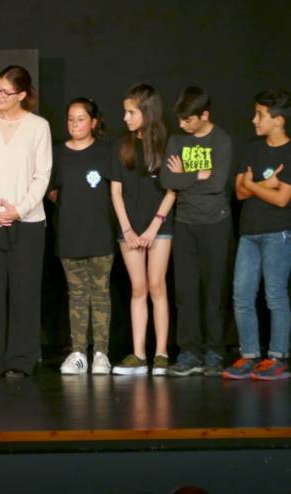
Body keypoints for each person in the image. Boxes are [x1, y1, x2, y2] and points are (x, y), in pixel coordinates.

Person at [0, 65, 52, 378]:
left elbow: (42, 174)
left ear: (22, 95)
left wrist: (19, 209)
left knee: (24, 292)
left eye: (5, 91)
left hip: (26, 223)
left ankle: (21, 359)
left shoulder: (38, 127)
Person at [160, 87, 233, 377]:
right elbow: (167, 179)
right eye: (180, 119)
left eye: (188, 119)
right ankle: (189, 352)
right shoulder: (177, 139)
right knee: (186, 291)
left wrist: (184, 177)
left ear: (204, 115)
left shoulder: (221, 140)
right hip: (185, 223)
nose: (182, 124)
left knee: (214, 291)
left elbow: (217, 184)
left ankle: (214, 351)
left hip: (215, 223)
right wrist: (197, 175)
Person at [223, 89, 291, 381]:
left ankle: (277, 357)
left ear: (278, 120)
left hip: (278, 233)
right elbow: (239, 192)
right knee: (242, 295)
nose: (254, 120)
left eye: (260, 115)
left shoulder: (289, 151)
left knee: (275, 295)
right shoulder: (252, 148)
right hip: (248, 233)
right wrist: (268, 183)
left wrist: (254, 185)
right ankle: (249, 355)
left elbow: (283, 199)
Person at [110, 84, 175, 376]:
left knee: (157, 286)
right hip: (130, 230)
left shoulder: (167, 144)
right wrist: (128, 230)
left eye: (131, 112)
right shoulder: (121, 146)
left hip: (158, 227)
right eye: (125, 112)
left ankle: (160, 353)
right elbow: (116, 192)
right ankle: (138, 354)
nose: (126, 117)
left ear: (147, 112)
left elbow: (172, 191)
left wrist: (153, 227)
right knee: (138, 288)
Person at [47, 98, 113, 375]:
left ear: (93, 123)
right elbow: (52, 191)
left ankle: (101, 353)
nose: (75, 124)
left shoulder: (106, 152)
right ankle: (78, 352)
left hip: (100, 234)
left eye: (81, 119)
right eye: (71, 119)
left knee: (100, 293)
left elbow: (116, 190)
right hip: (69, 234)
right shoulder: (58, 153)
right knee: (76, 294)